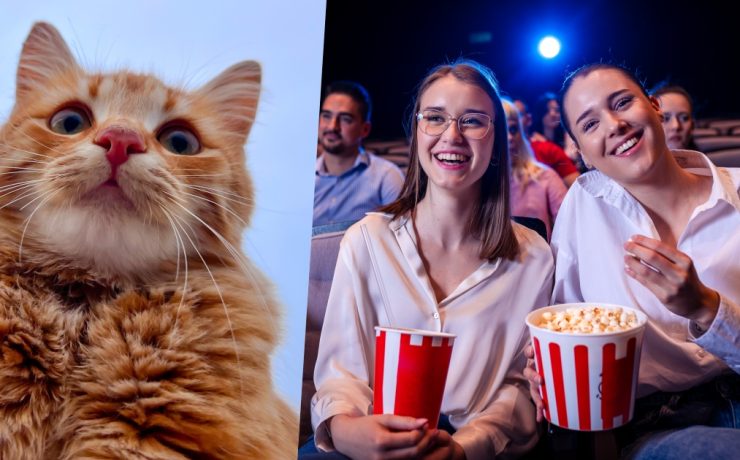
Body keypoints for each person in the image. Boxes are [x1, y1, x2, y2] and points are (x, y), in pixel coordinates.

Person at [305, 59, 554, 459]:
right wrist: (348, 431)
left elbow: (519, 389)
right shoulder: (366, 240)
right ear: (418, 132)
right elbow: (340, 375)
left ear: (496, 144)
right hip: (363, 443)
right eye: (435, 118)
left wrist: (466, 447)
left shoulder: (535, 258)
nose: (451, 135)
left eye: (472, 121)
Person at [525, 62, 740, 459]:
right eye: (590, 125)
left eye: (622, 102)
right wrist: (547, 368)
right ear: (582, 153)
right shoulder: (582, 207)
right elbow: (565, 329)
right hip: (654, 424)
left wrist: (707, 309)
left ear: (654, 106)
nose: (614, 124)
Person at [314, 80, 404, 227]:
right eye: (326, 116)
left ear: (365, 129)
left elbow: (402, 236)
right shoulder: (300, 177)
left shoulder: (386, 176)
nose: (332, 126)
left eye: (345, 119)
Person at [504, 98, 566, 240]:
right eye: (501, 130)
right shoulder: (474, 184)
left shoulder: (544, 176)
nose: (508, 137)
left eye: (513, 129)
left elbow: (572, 227)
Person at [514, 98, 581, 186]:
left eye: (557, 110)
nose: (553, 114)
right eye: (547, 110)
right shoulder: (536, 142)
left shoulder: (569, 135)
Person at [651, 83, 698, 150]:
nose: (675, 126)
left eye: (684, 118)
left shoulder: (705, 160)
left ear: (692, 125)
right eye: (665, 118)